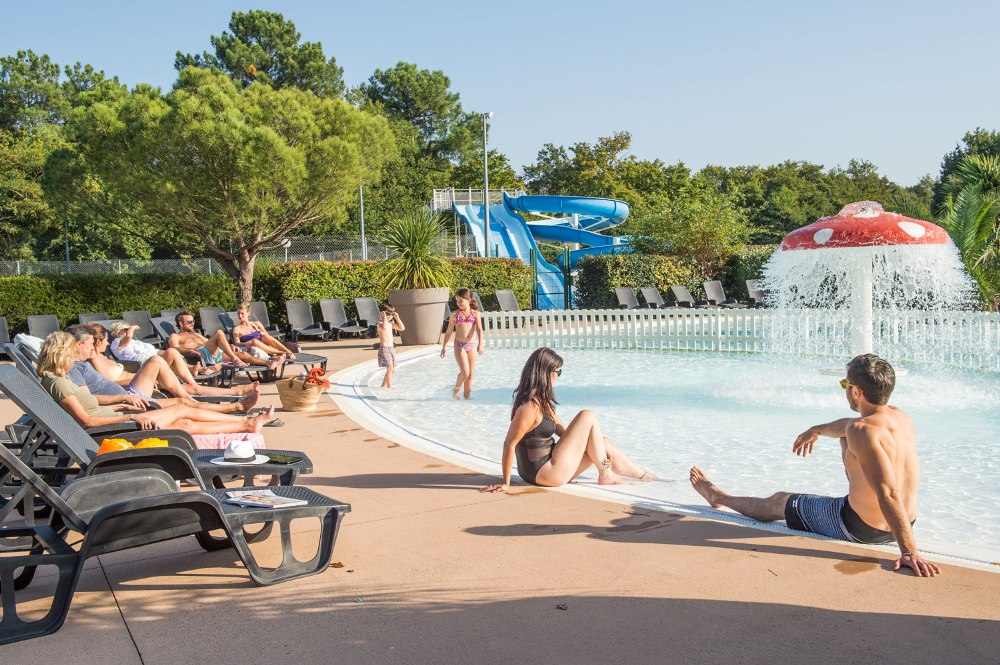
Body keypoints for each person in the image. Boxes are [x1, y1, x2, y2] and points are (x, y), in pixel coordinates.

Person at [689, 353, 941, 578]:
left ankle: (718, 496)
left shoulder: (860, 431)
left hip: (861, 527)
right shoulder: (900, 417)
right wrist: (817, 429)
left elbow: (888, 492)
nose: (844, 388)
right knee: (845, 434)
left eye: (845, 384)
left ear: (856, 392)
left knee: (779, 500)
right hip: (905, 522)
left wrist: (909, 552)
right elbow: (851, 425)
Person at [481, 347, 654, 494]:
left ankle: (644, 476)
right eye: (558, 372)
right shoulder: (529, 408)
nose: (558, 376)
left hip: (550, 467)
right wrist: (506, 483)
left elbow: (565, 433)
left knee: (603, 443)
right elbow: (509, 444)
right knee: (587, 415)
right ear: (546, 373)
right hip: (542, 472)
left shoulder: (541, 402)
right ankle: (606, 474)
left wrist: (598, 452)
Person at [38, 332, 277, 434]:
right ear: (61, 353)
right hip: (110, 429)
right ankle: (245, 421)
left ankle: (245, 422)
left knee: (183, 422)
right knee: (183, 412)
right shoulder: (59, 382)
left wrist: (124, 403)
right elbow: (87, 420)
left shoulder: (60, 378)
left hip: (115, 419)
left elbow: (90, 409)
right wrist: (128, 416)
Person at [64, 324, 258, 414]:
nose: (107, 344)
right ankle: (226, 396)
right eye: (105, 340)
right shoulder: (90, 363)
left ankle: (233, 394)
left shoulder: (99, 358)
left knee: (186, 392)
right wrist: (131, 390)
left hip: (135, 386)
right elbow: (108, 386)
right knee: (183, 391)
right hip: (131, 391)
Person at [169, 310, 279, 373]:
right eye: (189, 322)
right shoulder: (175, 336)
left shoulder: (196, 334)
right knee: (219, 333)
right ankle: (235, 359)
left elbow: (211, 342)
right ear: (180, 323)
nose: (192, 324)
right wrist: (191, 351)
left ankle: (268, 363)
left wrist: (230, 345)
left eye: (193, 322)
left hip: (212, 352)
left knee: (243, 354)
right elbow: (174, 349)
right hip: (199, 356)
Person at [440, 288, 485, 399]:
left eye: (461, 300)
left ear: (468, 300)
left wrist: (481, 344)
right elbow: (449, 331)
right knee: (465, 372)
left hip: (471, 346)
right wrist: (444, 346)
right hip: (459, 345)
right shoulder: (455, 314)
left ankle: (466, 399)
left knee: (470, 375)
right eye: (456, 300)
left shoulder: (475, 314)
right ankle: (456, 389)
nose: (458, 303)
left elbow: (479, 329)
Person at [230, 302, 297, 366]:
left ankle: (287, 351)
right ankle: (283, 353)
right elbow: (237, 343)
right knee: (254, 341)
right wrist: (248, 343)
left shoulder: (257, 323)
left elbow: (268, 337)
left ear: (248, 313)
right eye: (238, 313)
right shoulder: (237, 328)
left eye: (242, 313)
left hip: (266, 346)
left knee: (264, 335)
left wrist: (258, 330)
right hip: (254, 348)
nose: (240, 316)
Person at [376, 303, 405, 388]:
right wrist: (384, 317)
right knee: (390, 369)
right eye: (389, 314)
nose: (390, 316)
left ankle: (382, 386)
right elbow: (384, 327)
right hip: (384, 349)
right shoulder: (380, 323)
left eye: (391, 314)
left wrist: (397, 318)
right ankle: (389, 388)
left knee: (392, 370)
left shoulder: (391, 324)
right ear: (383, 313)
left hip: (391, 349)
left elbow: (402, 328)